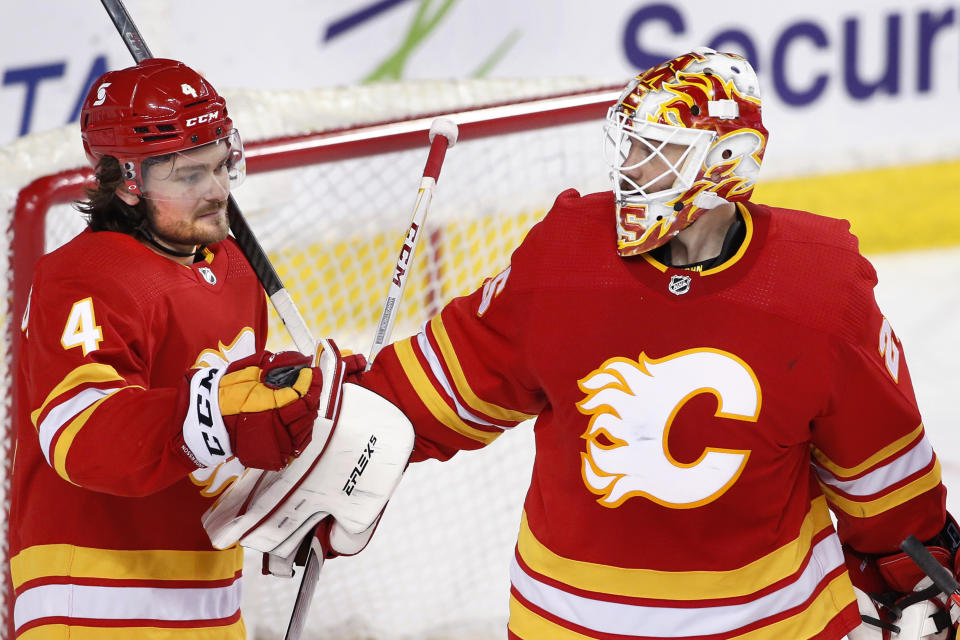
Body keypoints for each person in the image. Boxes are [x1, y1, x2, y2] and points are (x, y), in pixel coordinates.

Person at [353, 48, 959, 639]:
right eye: (634, 147)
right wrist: (337, 421)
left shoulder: (816, 289)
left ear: (727, 160)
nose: (632, 170)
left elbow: (880, 461)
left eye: (659, 153)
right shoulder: (564, 258)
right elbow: (443, 383)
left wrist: (911, 563)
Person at [9, 58, 331, 639]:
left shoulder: (234, 269)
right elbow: (81, 435)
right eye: (189, 177)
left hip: (211, 600)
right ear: (126, 182)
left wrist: (307, 464)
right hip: (92, 602)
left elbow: (231, 441)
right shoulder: (83, 276)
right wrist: (227, 410)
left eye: (222, 165)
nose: (218, 192)